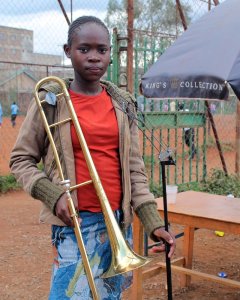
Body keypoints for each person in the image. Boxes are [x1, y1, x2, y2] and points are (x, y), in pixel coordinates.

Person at [9, 16, 176, 300]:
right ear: (68, 51)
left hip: (119, 221)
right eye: (84, 49)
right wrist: (54, 195)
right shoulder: (51, 101)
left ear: (110, 54)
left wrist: (153, 222)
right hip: (75, 224)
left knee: (110, 296)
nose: (94, 58)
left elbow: (134, 169)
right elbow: (20, 160)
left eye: (102, 50)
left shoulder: (123, 104)